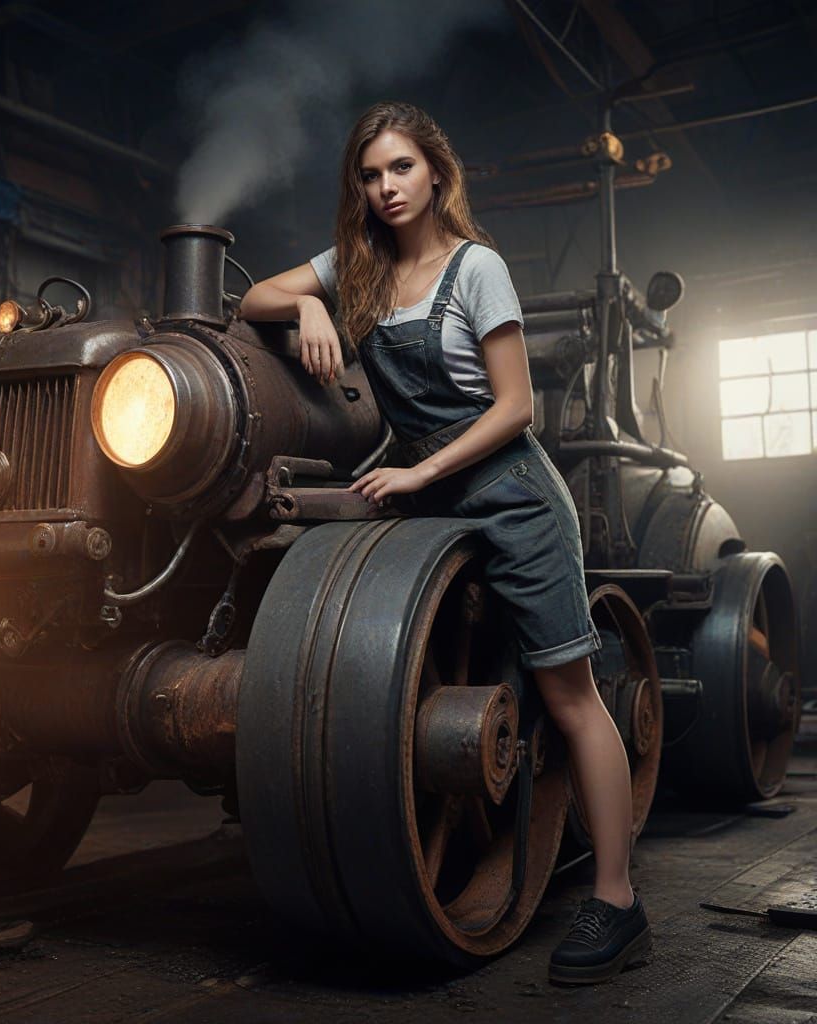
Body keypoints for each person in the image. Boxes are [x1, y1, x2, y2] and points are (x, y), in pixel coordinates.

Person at [239, 100, 651, 984]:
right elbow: (252, 296)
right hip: (438, 503)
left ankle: (617, 901)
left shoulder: (478, 270)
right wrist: (308, 311)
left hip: (510, 494)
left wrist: (424, 477)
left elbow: (515, 408)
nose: (385, 188)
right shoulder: (353, 271)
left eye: (401, 169)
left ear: (436, 175)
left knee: (571, 698)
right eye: (370, 174)